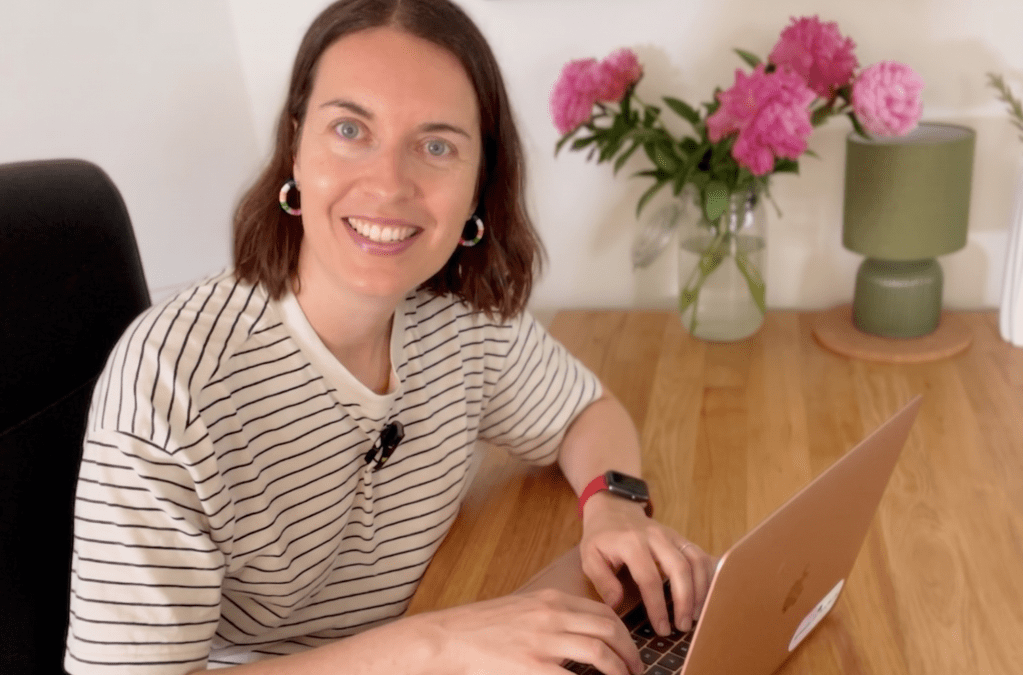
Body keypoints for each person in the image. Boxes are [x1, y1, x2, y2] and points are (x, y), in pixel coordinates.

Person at [64, 1, 715, 673]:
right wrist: (437, 646)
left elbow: (584, 410)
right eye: (351, 129)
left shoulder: (457, 316)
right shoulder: (170, 383)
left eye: (437, 146)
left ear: (479, 184)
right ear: (295, 146)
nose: (387, 184)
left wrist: (614, 506)